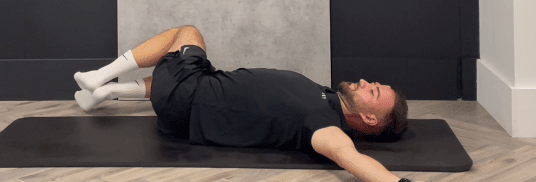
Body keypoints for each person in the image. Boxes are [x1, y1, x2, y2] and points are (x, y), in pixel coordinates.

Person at [74, 25, 422, 182]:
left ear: (369, 119)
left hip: (192, 98)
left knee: (187, 34)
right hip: (201, 92)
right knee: (177, 75)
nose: (365, 83)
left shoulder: (328, 128)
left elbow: (351, 158)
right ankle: (106, 93)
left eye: (373, 92)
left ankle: (98, 77)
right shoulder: (329, 100)